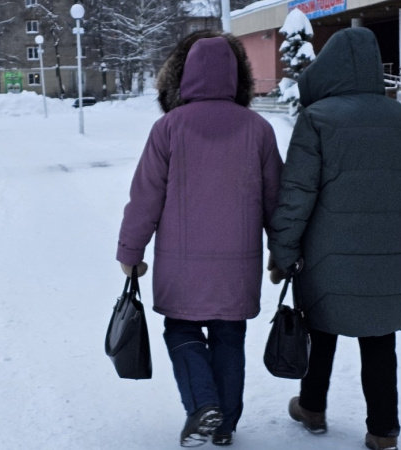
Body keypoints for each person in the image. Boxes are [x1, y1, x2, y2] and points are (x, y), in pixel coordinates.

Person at [116, 30, 283, 447]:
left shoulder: (168, 128)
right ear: (236, 77)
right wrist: (281, 252)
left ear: (185, 76)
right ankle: (224, 423)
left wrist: (130, 252)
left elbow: (145, 197)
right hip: (239, 265)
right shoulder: (259, 129)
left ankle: (202, 405)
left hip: (181, 264)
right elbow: (276, 201)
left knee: (181, 330)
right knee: (230, 337)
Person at [267, 27, 401, 450]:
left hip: (326, 252)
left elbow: (296, 195)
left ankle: (312, 407)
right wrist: (389, 229)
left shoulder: (317, 119)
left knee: (320, 326)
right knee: (379, 340)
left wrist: (283, 251)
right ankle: (383, 431)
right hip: (386, 255)